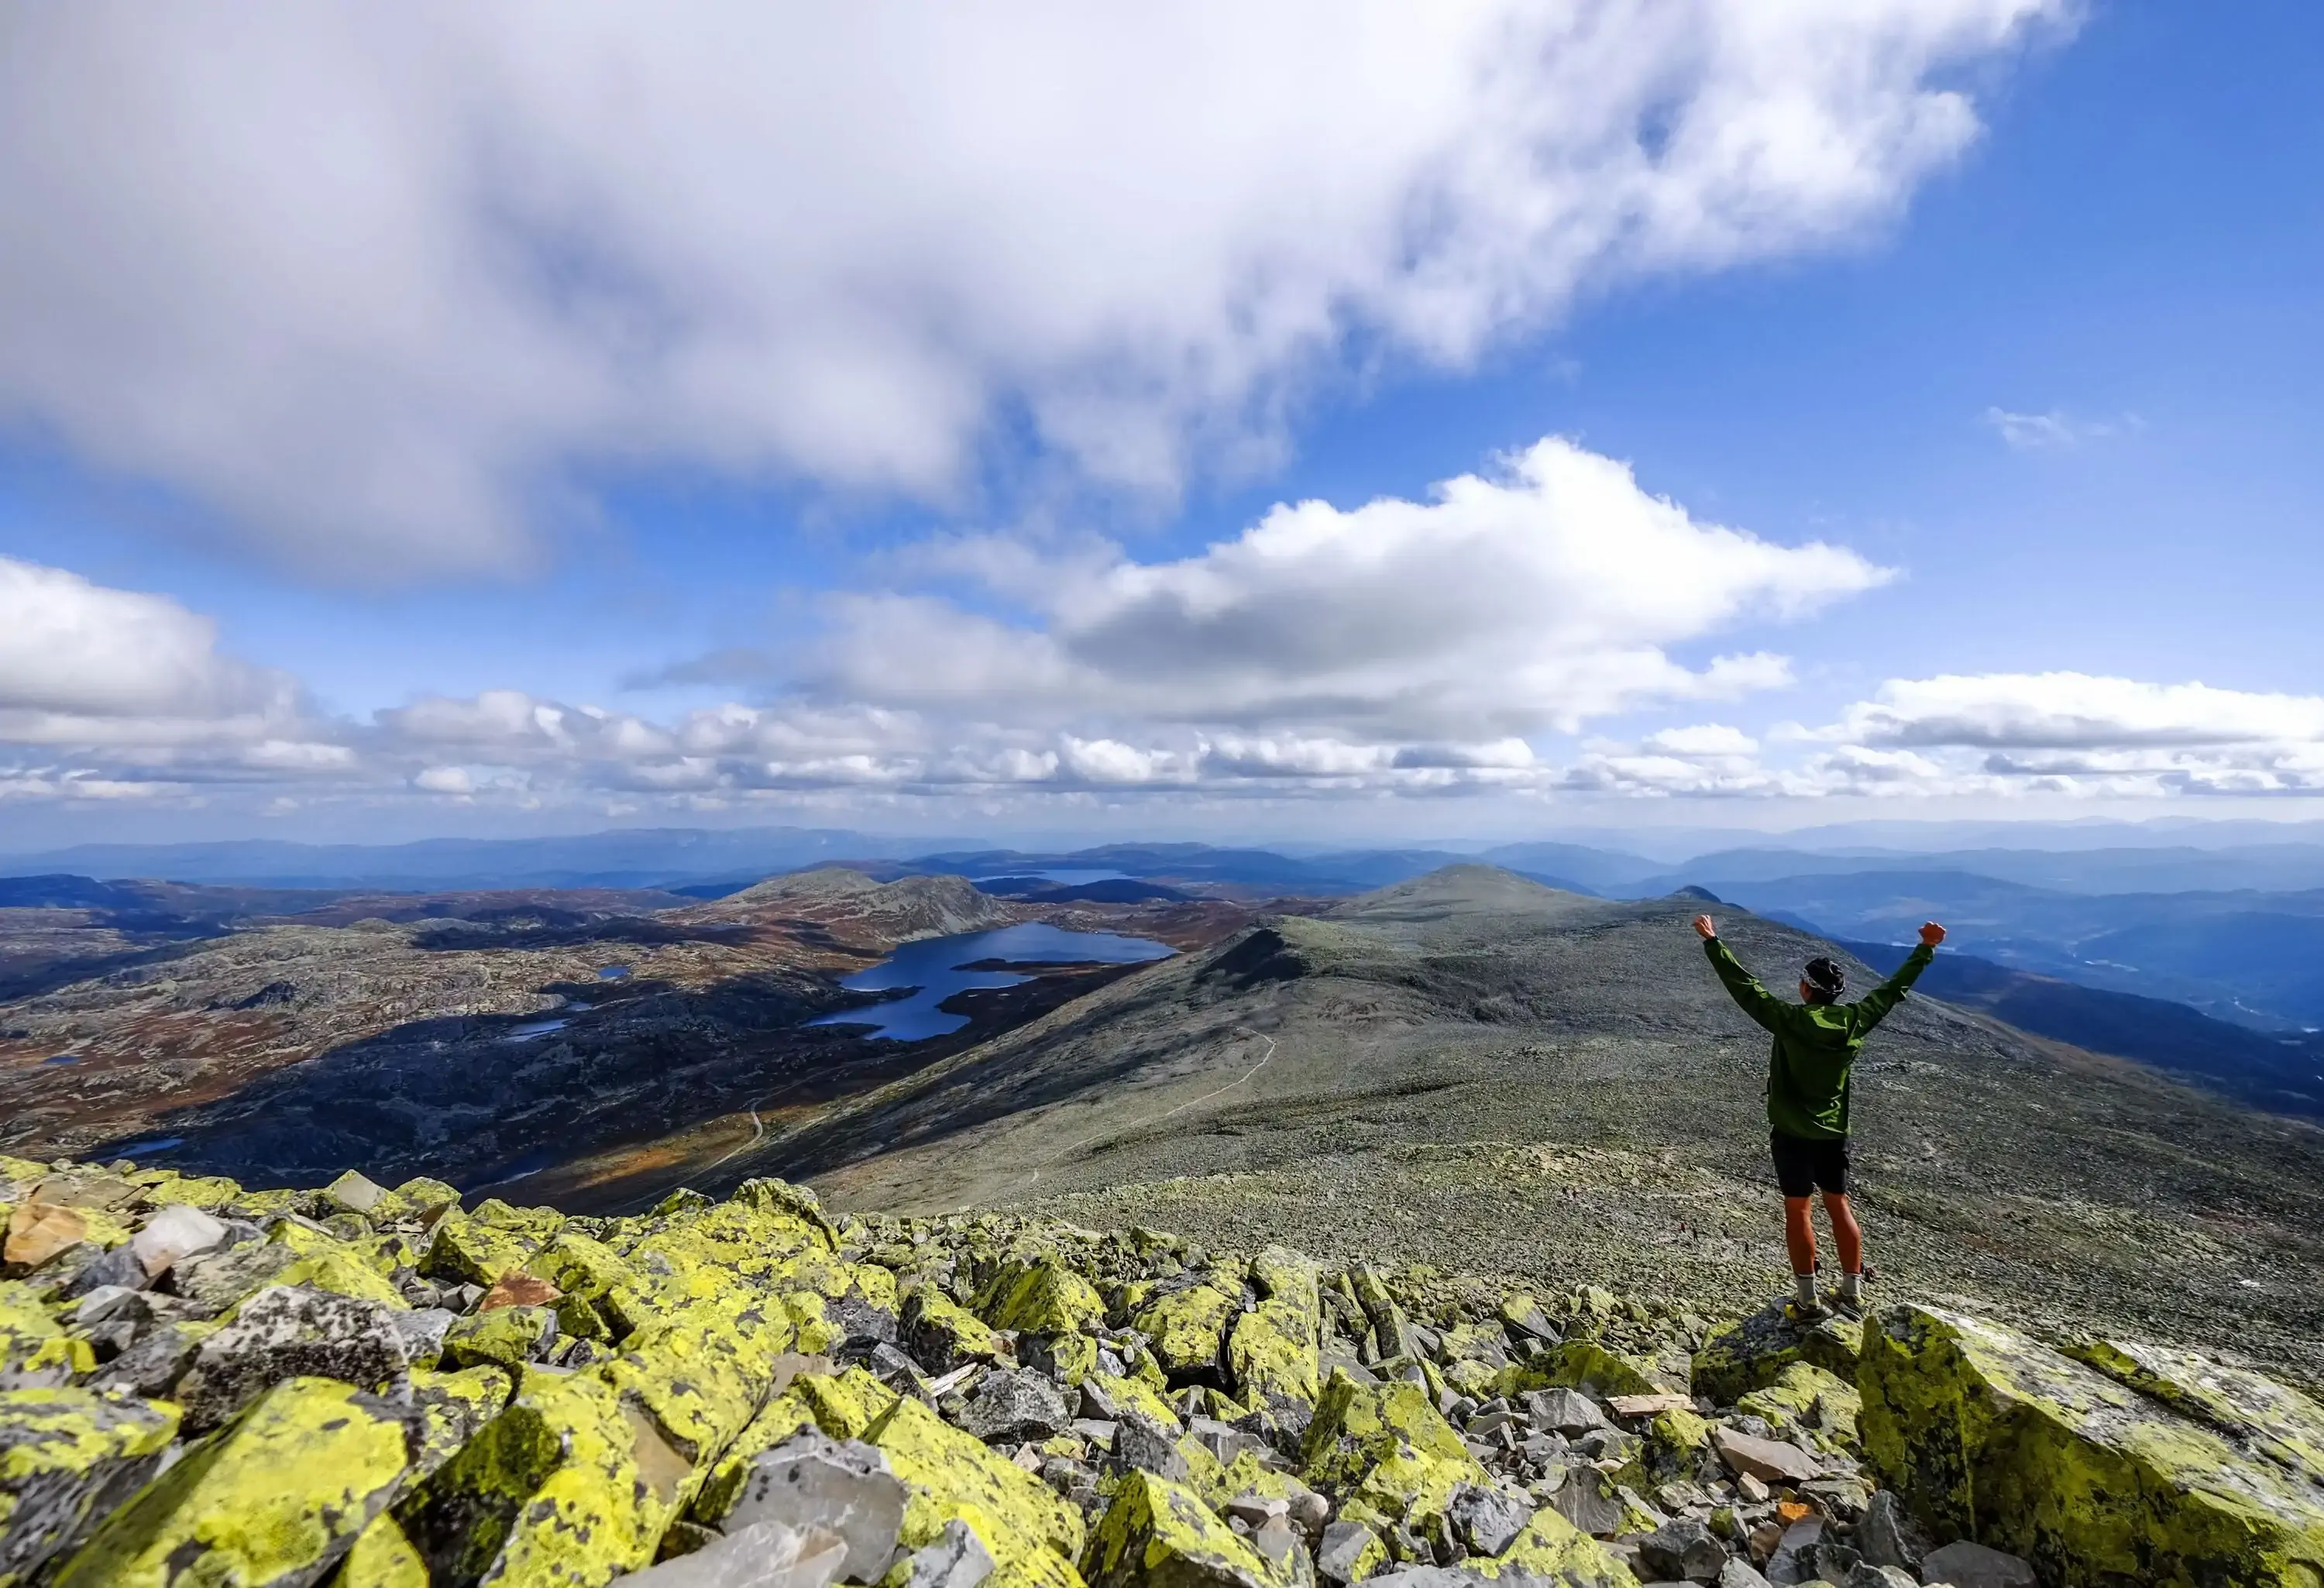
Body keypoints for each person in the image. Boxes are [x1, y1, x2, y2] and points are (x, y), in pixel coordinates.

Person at [1693, 912, 1945, 1316]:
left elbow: (1745, 988)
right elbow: (1894, 989)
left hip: (1791, 1132)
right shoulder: (1855, 1022)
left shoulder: (1789, 1020)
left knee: (1799, 1209)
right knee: (1838, 1204)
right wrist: (1926, 949)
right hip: (1834, 1132)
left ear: (1805, 989)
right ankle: (1851, 1289)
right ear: (1838, 993)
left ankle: (1808, 1298)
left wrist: (1713, 942)